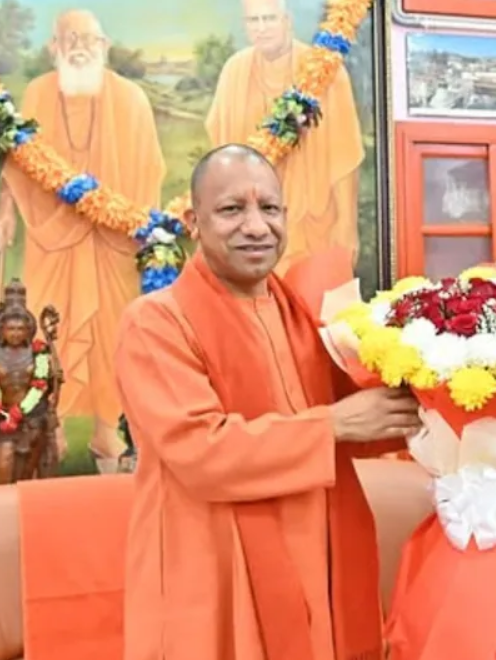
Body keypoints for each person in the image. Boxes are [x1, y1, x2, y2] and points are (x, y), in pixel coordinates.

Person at [115, 144, 420, 660]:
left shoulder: (301, 313)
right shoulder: (155, 323)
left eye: (270, 208)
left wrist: (446, 398)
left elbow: (364, 416)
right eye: (232, 209)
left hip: (318, 553)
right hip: (217, 566)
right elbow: (200, 450)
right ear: (193, 221)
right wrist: (333, 426)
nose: (256, 227)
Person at [0, 9, 166, 471]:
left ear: (104, 46)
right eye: (70, 38)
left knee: (113, 335)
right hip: (53, 239)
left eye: (89, 39)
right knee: (49, 327)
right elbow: (20, 159)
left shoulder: (131, 100)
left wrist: (118, 217)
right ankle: (52, 428)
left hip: (112, 243)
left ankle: (109, 436)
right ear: (54, 47)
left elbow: (149, 171)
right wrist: (5, 207)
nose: (79, 46)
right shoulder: (38, 93)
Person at [205, 0, 364, 273]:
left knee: (318, 297)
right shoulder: (234, 72)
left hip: (314, 220)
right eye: (253, 21)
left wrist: (347, 225)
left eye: (269, 18)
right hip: (251, 224)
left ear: (287, 21)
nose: (262, 28)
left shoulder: (325, 71)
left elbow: (345, 155)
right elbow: (220, 153)